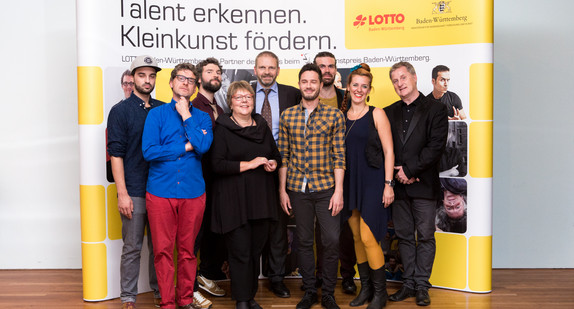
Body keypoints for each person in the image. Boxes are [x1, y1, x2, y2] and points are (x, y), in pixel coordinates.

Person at [142, 62, 213, 309]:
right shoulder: (156, 115)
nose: (186, 82)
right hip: (160, 193)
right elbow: (149, 152)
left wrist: (186, 115)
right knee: (162, 251)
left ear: (195, 87)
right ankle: (167, 302)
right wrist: (184, 147)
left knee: (187, 251)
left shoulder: (203, 117)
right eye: (181, 78)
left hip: (193, 193)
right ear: (171, 83)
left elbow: (203, 146)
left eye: (191, 80)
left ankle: (184, 300)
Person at [278, 63, 346, 309]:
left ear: (320, 85)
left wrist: (339, 191)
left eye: (313, 82)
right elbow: (283, 156)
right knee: (304, 241)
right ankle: (309, 290)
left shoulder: (334, 115)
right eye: (304, 81)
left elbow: (339, 156)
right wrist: (282, 190)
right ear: (300, 84)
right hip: (297, 188)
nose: (309, 85)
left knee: (330, 240)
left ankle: (327, 292)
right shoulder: (288, 116)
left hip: (327, 188)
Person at [210, 80, 282, 309]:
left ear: (254, 101)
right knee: (240, 251)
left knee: (253, 252)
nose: (244, 101)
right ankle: (241, 300)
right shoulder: (221, 128)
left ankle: (250, 297)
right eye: (238, 97)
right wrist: (250, 164)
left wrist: (271, 163)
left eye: (248, 97)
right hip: (233, 201)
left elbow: (276, 156)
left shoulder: (261, 126)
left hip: (261, 200)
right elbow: (216, 165)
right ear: (230, 102)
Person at [384, 62, 448, 306]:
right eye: (395, 81)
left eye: (403, 78)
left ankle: (422, 285)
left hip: (423, 184)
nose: (399, 84)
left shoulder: (436, 109)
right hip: (398, 187)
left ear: (414, 77)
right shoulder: (389, 112)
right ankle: (408, 284)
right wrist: (398, 176)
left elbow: (435, 147)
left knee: (425, 236)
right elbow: (385, 149)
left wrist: (409, 171)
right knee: (404, 237)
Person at [107, 55, 163, 309]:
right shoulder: (120, 111)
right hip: (135, 190)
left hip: (161, 189)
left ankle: (160, 292)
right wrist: (122, 193)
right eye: (142, 75)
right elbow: (116, 154)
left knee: (159, 247)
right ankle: (128, 297)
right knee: (132, 247)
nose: (147, 80)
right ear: (133, 78)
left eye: (152, 76)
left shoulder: (164, 109)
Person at [340, 63, 395, 309]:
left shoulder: (377, 113)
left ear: (369, 89)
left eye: (364, 86)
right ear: (348, 88)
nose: (359, 90)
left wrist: (388, 185)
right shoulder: (341, 117)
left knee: (368, 236)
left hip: (373, 182)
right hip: (350, 182)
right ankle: (366, 290)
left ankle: (380, 294)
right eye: (355, 85)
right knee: (355, 237)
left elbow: (389, 151)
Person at [250, 51, 300, 299]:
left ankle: (277, 278)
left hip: (285, 168)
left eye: (271, 67)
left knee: (279, 226)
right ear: (255, 70)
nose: (267, 72)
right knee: (254, 225)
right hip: (253, 170)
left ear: (278, 70)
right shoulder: (245, 94)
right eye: (262, 67)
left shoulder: (292, 93)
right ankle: (247, 279)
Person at [313, 51, 357, 295]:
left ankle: (348, 275)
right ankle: (321, 274)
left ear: (335, 70)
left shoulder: (347, 97)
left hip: (345, 171)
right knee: (322, 229)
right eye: (321, 66)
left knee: (347, 229)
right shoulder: (305, 97)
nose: (326, 70)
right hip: (317, 174)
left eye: (330, 66)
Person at [190, 58, 227, 303]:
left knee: (214, 230)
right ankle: (190, 285)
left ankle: (205, 274)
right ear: (199, 77)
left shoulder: (220, 108)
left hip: (220, 180)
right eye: (210, 71)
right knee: (195, 234)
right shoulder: (193, 107)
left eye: (218, 72)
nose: (215, 75)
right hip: (199, 180)